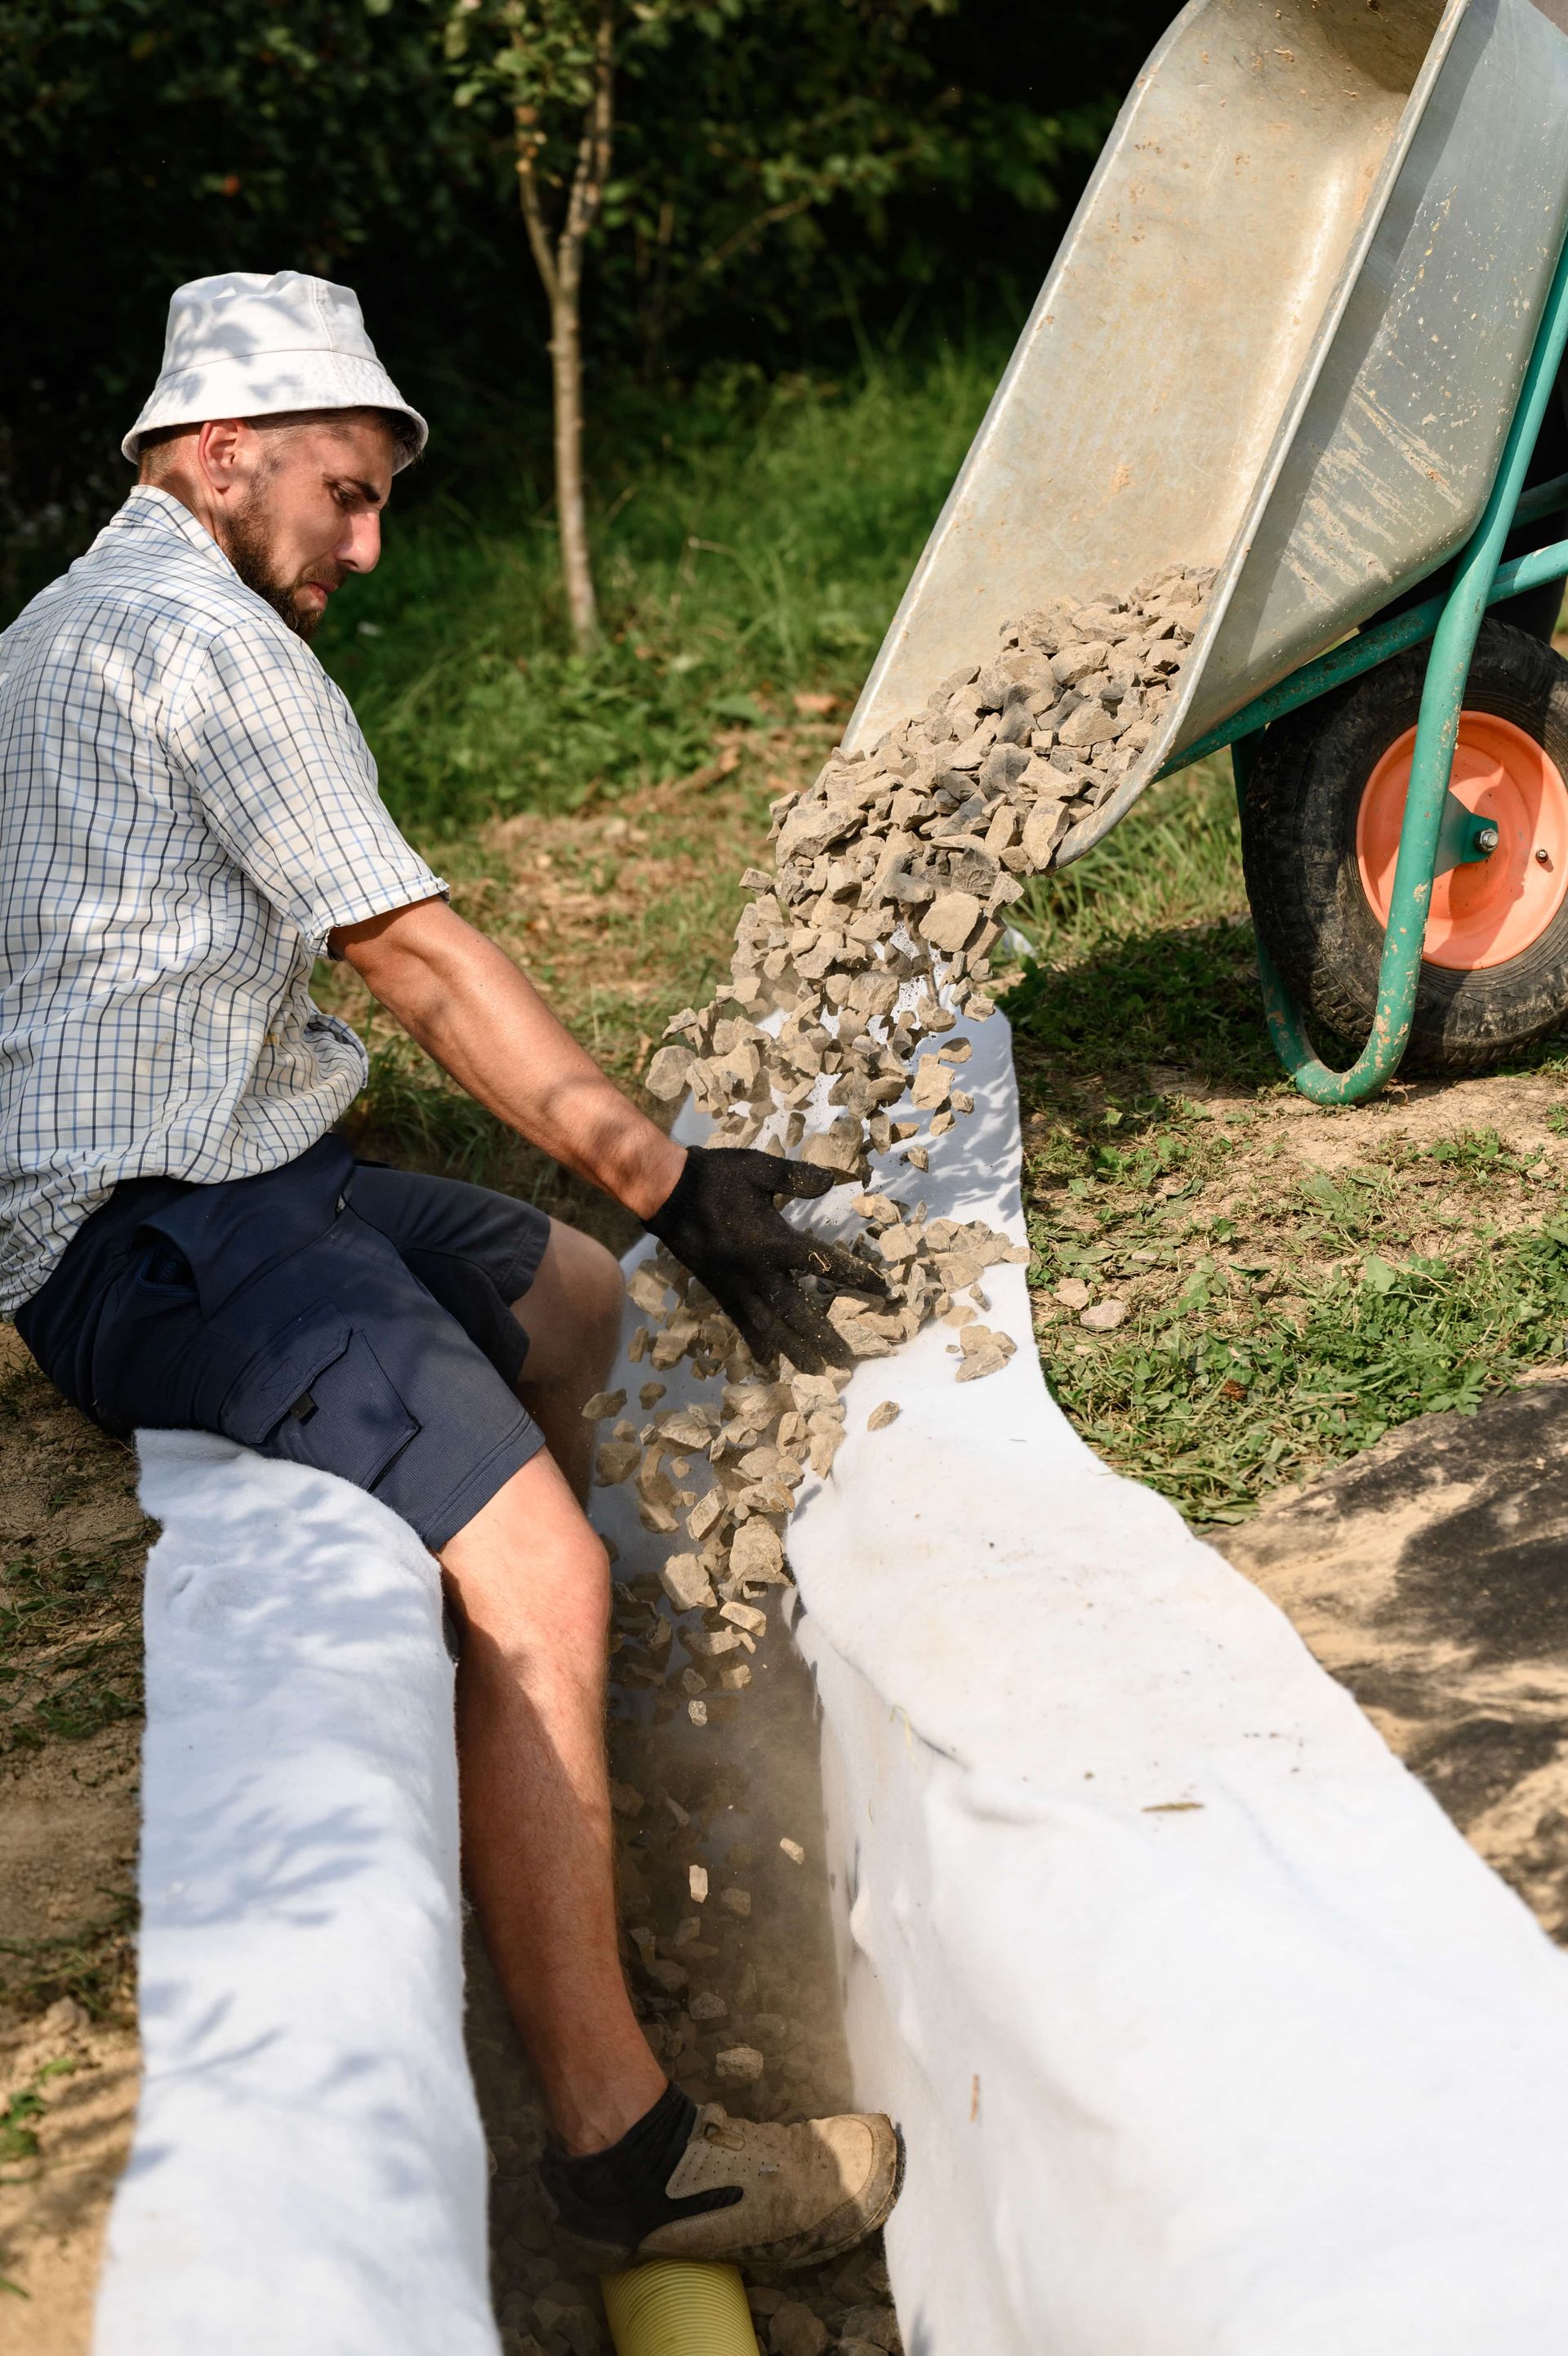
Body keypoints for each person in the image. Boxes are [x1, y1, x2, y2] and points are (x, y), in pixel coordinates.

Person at [0, 270, 898, 2269]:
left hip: (253, 1177)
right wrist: (672, 1177)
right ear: (224, 454)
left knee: (576, 1308)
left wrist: (623, 1228)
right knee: (535, 1563)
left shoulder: (81, 618)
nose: (371, 543)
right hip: (156, 1238)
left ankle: (578, 1767)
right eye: (349, 492)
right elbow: (410, 958)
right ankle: (621, 2154)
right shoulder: (201, 649)